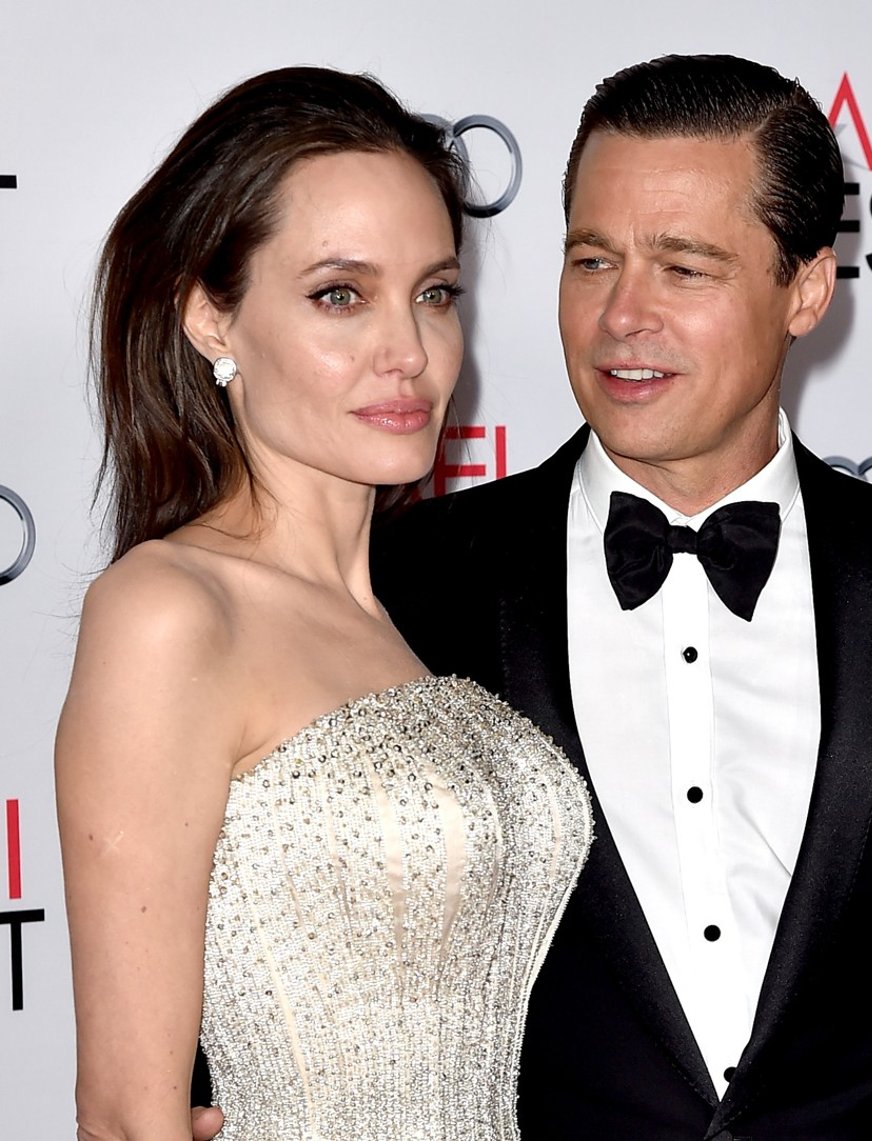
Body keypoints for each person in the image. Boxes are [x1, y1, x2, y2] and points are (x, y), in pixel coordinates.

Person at [366, 55, 872, 1140]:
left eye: (684, 268)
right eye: (592, 260)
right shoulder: (412, 585)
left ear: (804, 288)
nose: (623, 316)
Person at [56, 66, 591, 1141]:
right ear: (212, 316)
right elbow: (125, 1113)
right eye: (339, 294)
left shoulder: (417, 611)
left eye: (434, 294)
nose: (410, 353)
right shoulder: (169, 612)